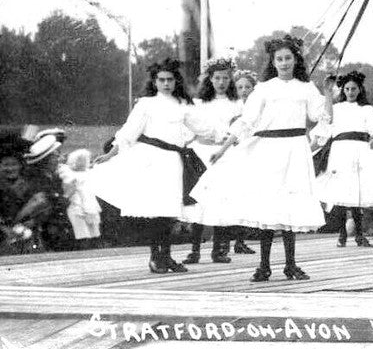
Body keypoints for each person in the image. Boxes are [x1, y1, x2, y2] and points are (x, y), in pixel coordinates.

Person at [191, 35, 334, 282]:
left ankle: (291, 264)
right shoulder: (264, 89)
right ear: (273, 61)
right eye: (279, 59)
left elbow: (321, 115)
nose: (284, 63)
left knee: (290, 207)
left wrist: (329, 93)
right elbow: (247, 121)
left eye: (288, 58)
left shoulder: (307, 88)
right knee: (269, 208)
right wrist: (224, 148)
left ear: (295, 59)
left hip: (295, 148)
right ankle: (264, 265)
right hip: (269, 150)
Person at [90, 59, 224, 273]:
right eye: (161, 80)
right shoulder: (146, 103)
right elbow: (129, 131)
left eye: (170, 79)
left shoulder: (183, 104)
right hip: (151, 159)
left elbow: (203, 127)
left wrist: (227, 137)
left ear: (175, 81)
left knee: (169, 210)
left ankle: (167, 255)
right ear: (155, 81)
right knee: (155, 209)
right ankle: (156, 256)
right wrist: (111, 153)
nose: (166, 84)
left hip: (173, 160)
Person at [313, 70, 373, 248]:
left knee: (357, 192)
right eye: (347, 89)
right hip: (341, 149)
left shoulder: (366, 108)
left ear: (359, 90)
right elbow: (327, 120)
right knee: (342, 191)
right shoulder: (337, 108)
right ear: (343, 90)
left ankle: (359, 234)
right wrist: (328, 93)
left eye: (354, 89)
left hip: (359, 148)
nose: (350, 92)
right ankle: (342, 233)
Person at [181, 57, 241, 264]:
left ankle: (219, 249)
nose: (221, 82)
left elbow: (242, 128)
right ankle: (195, 249)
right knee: (199, 201)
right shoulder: (198, 103)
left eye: (225, 78)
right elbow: (189, 127)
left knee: (221, 200)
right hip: (201, 152)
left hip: (225, 154)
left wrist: (231, 140)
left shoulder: (237, 104)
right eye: (217, 78)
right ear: (210, 79)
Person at [229, 69, 258, 256]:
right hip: (239, 152)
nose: (244, 90)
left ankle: (241, 240)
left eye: (248, 87)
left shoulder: (258, 106)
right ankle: (233, 239)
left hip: (255, 152)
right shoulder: (235, 108)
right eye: (240, 87)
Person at [58, 149, 102, 248]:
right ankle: (83, 249)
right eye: (80, 160)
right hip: (76, 203)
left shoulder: (88, 173)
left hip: (90, 203)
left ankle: (95, 250)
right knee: (81, 231)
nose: (83, 162)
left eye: (85, 159)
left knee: (94, 230)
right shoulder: (68, 173)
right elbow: (69, 187)